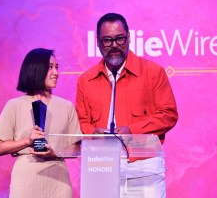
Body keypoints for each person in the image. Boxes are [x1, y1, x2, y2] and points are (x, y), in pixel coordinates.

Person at [76, 13, 178, 197]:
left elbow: (168, 115)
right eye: (107, 40)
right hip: (100, 165)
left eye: (120, 38)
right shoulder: (85, 80)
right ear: (98, 42)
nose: (114, 45)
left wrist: (133, 130)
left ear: (129, 37)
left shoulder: (153, 72)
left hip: (144, 167)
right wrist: (93, 133)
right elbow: (82, 121)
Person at [0, 48, 82, 198]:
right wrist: (27, 141)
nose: (56, 73)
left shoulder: (66, 106)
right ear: (36, 69)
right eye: (50, 67)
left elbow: (76, 148)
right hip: (26, 178)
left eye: (57, 67)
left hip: (58, 178)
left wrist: (56, 152)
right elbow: (0, 147)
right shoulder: (14, 105)